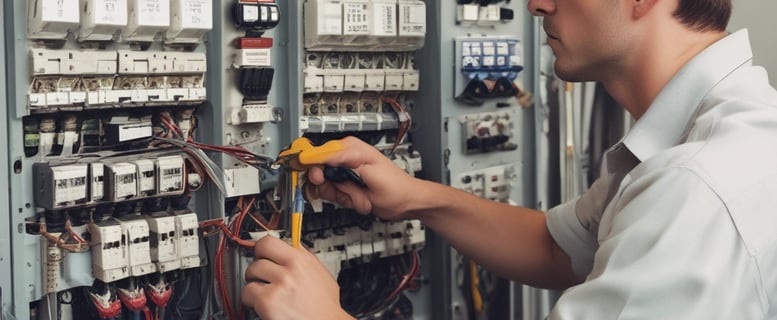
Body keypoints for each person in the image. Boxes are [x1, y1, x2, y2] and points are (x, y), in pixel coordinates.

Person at [242, 0, 777, 318]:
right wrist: (417, 197)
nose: (535, 4)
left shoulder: (695, 185)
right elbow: (557, 248)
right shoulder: (700, 135)